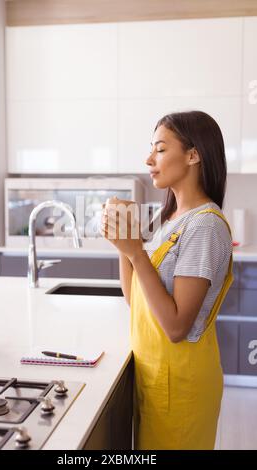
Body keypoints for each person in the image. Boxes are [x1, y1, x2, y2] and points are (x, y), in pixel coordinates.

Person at [101, 110, 234, 450]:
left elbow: (176, 327)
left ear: (193, 155)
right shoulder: (172, 219)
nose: (149, 159)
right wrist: (124, 241)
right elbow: (136, 299)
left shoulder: (205, 226)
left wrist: (135, 252)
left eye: (160, 149)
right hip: (156, 377)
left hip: (183, 386)